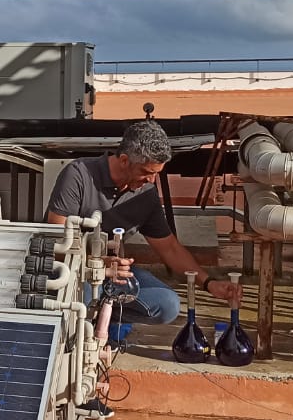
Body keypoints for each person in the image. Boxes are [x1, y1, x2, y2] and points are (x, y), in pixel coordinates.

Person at [45, 119, 242, 324]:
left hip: (113, 275)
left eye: (157, 173)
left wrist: (209, 283)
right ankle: (86, 324)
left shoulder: (145, 194)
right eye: (147, 173)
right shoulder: (78, 175)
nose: (152, 181)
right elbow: (57, 243)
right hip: (71, 270)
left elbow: (170, 248)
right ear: (124, 160)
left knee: (168, 305)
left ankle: (102, 321)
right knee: (82, 296)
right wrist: (98, 263)